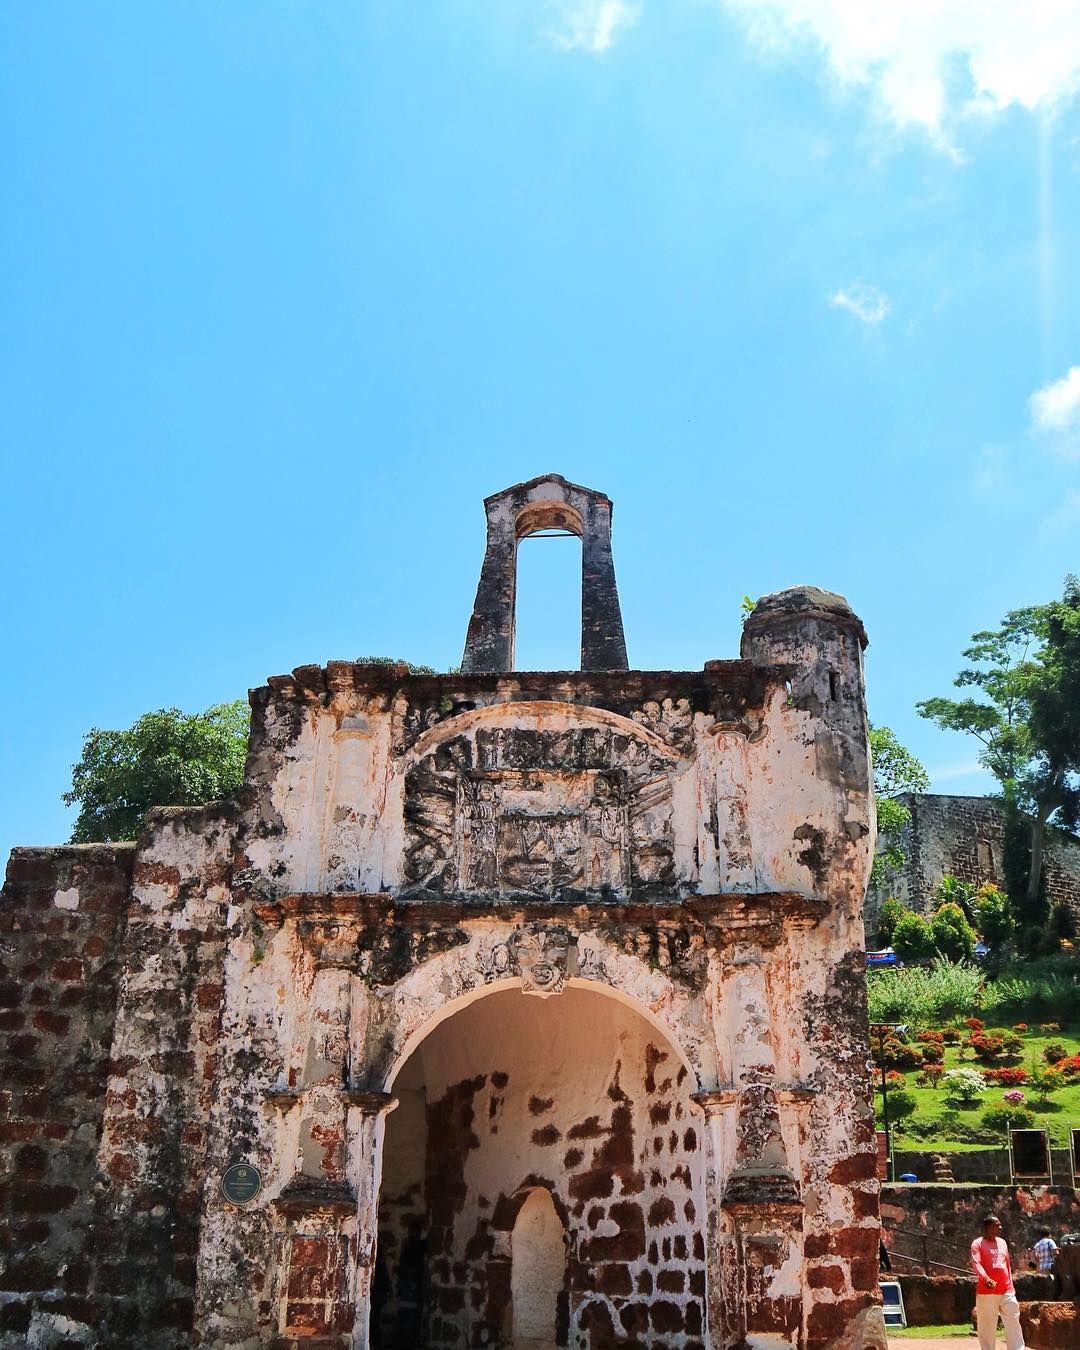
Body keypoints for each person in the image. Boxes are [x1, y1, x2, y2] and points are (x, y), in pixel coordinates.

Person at [970, 1214, 1026, 1350]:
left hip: (1006, 1290)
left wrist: (1011, 1285)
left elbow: (1007, 1265)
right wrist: (986, 1278)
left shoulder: (1003, 1242)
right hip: (987, 1292)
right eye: (997, 1225)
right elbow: (976, 1263)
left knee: (1013, 1321)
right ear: (988, 1227)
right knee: (987, 1327)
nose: (1000, 1228)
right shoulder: (977, 1243)